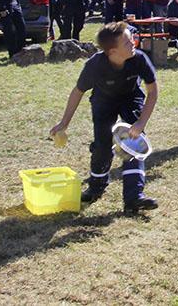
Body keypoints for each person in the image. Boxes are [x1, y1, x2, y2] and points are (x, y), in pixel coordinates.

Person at [49, 21, 159, 213]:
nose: (133, 42)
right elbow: (77, 92)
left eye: (131, 39)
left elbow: (153, 91)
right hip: (103, 101)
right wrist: (63, 123)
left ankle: (134, 197)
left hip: (130, 98)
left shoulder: (139, 59)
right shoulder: (95, 65)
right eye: (126, 42)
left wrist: (141, 123)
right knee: (102, 145)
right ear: (112, 52)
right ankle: (96, 187)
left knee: (133, 142)